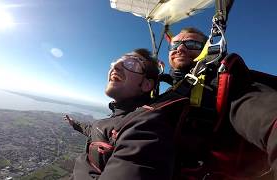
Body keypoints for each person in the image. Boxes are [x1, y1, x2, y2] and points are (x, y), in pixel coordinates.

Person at [167, 27, 277, 178]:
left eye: (191, 44)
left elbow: (266, 115)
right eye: (174, 45)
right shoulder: (160, 91)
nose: (179, 49)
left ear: (208, 49)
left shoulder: (226, 86)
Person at [65, 48, 190, 180]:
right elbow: (94, 130)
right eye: (115, 63)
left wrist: (81, 168)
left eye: (131, 64)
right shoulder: (117, 119)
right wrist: (75, 124)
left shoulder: (147, 126)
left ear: (146, 84)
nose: (116, 66)